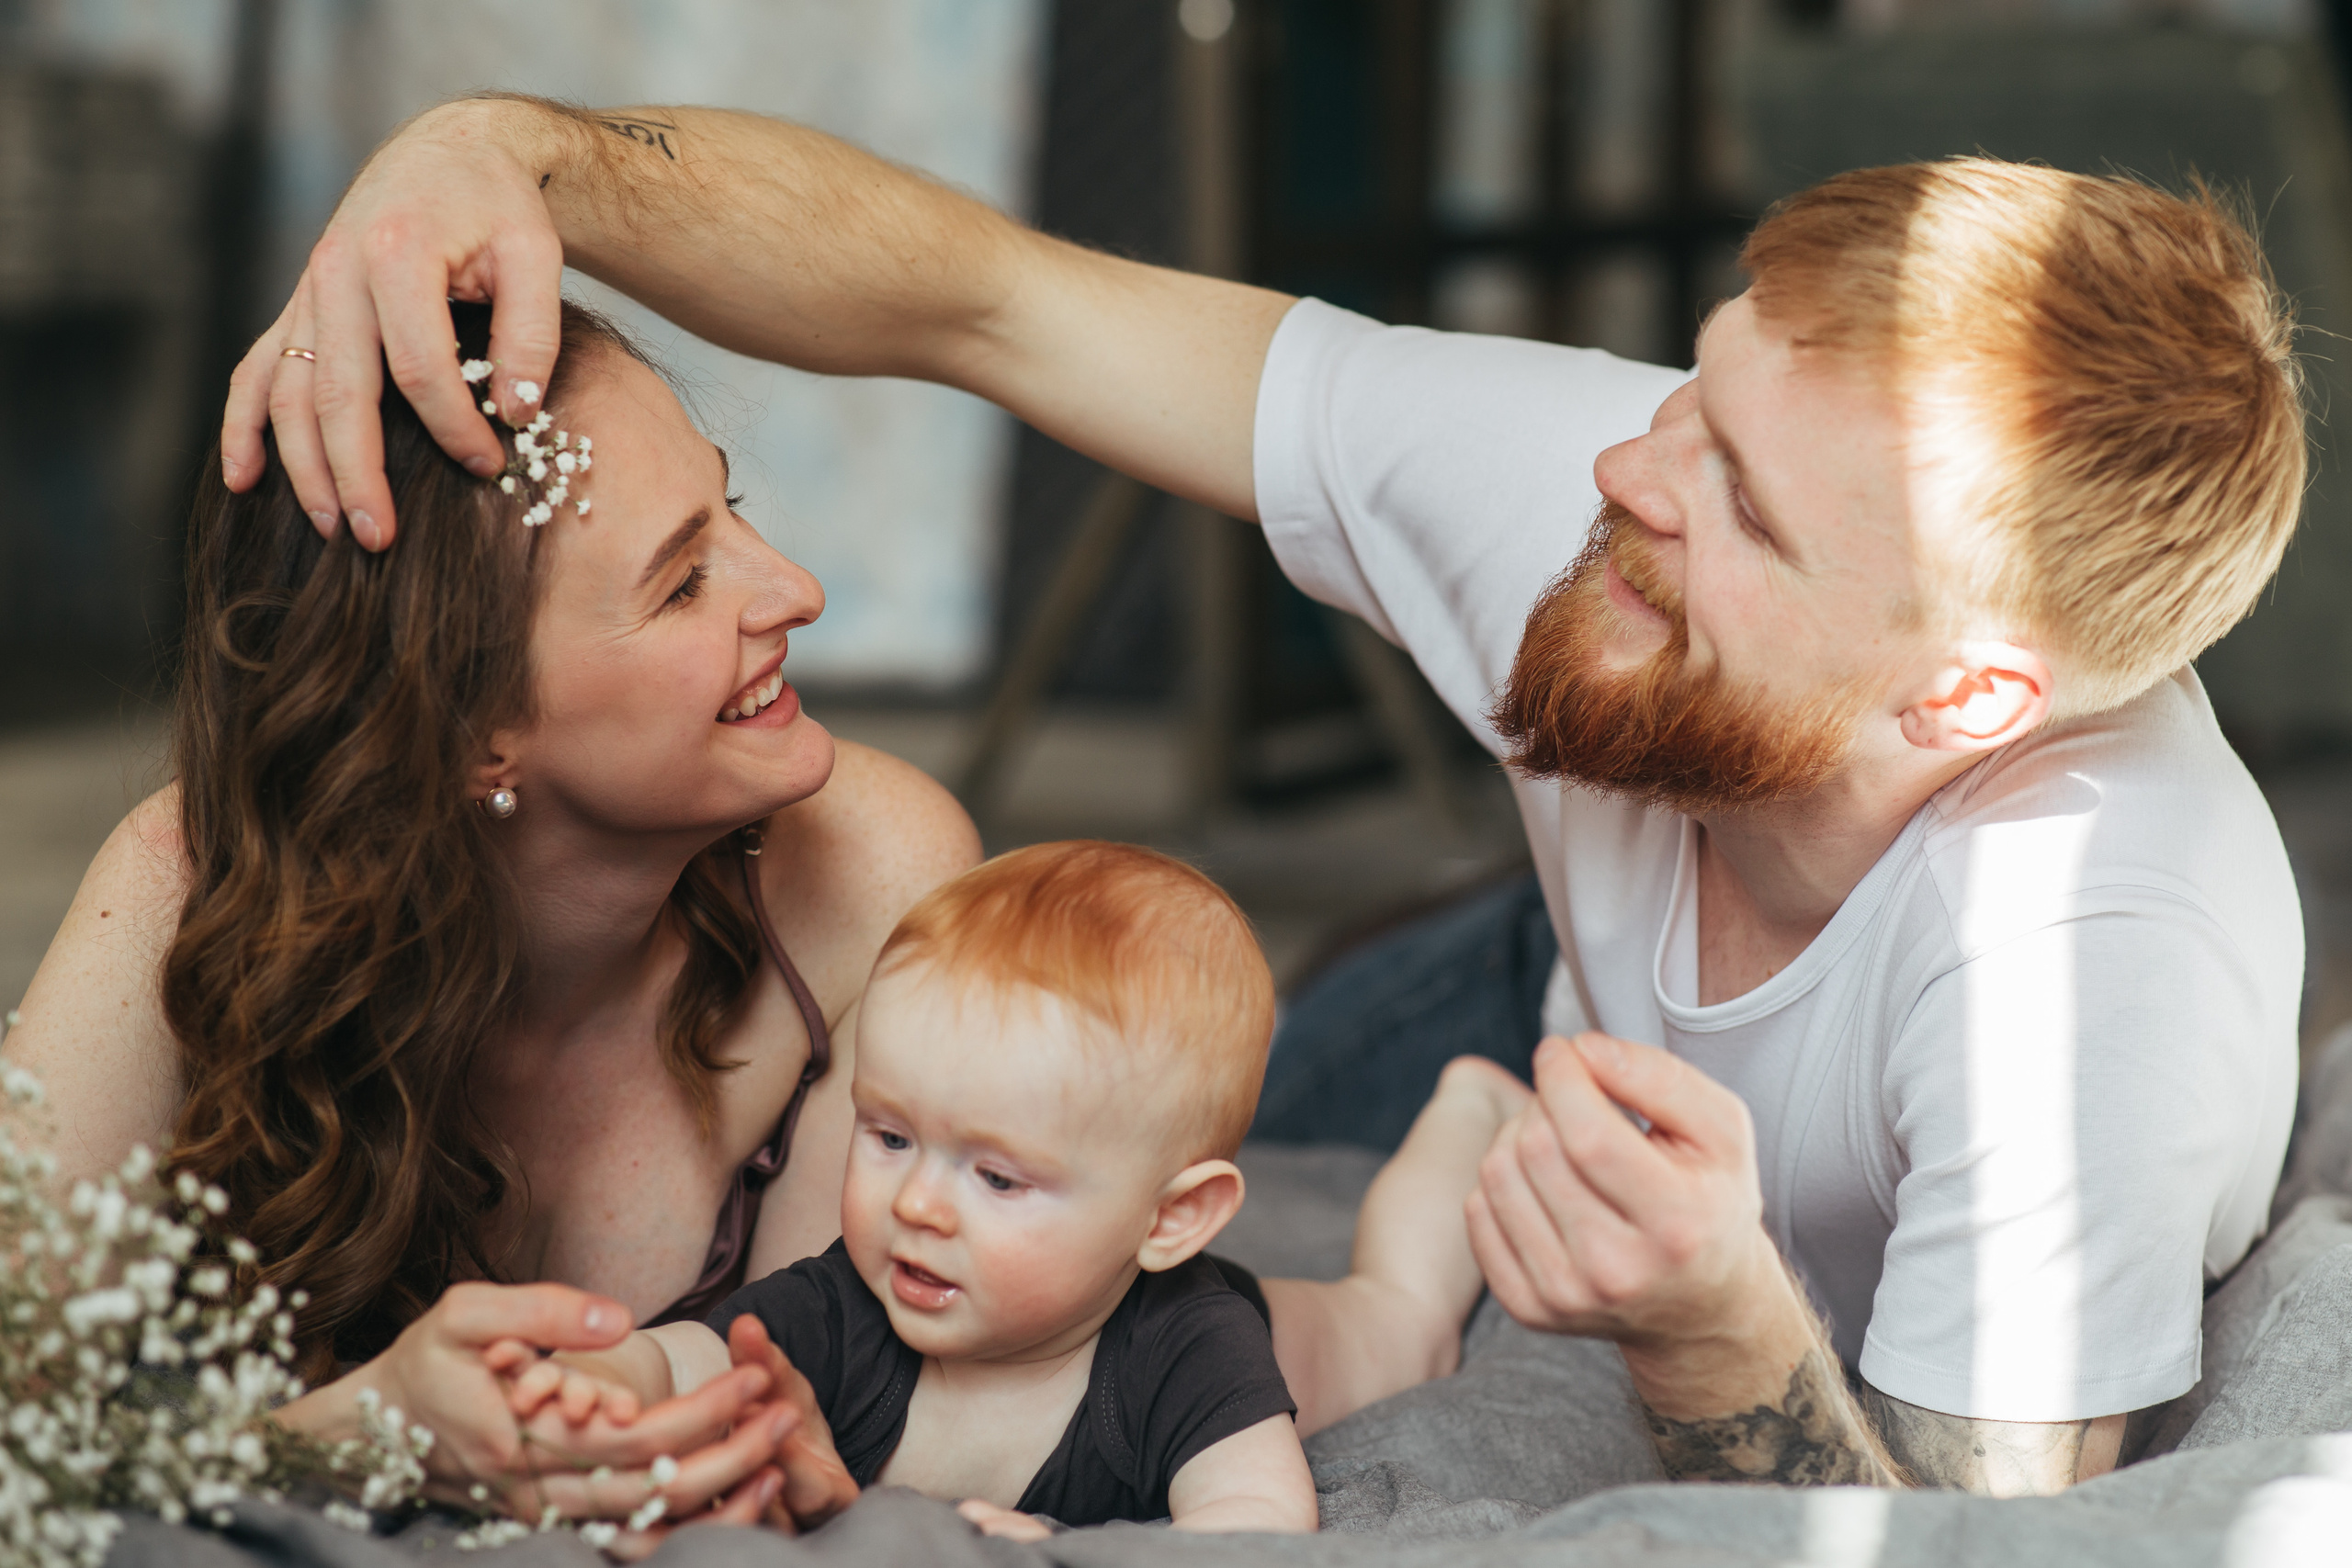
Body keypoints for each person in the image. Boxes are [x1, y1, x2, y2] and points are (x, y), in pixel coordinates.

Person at [231, 98, 2307, 1498]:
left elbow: (1965, 1535)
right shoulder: (1629, 490)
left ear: (1964, 691)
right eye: (1690, 390)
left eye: (1736, 501)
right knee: (1128, 1124)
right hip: (1517, 986)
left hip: (1695, 1164)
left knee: (1258, 1290)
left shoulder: (2088, 980)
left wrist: (1710, 1333)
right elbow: (983, 294)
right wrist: (507, 153)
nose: (1618, 475)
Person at [9, 292, 1499, 1540]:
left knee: (1377, 1308)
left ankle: (1474, 1084)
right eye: (680, 584)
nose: (796, 589)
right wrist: (350, 1433)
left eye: (734, 506)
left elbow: (859, 1391)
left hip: (1152, 1333)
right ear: (475, 736)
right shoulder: (192, 898)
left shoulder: (874, 867)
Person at [517, 840, 1529, 1538]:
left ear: (1172, 1216)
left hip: (1315, 1342)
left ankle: (1470, 1106)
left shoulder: (1188, 1353)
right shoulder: (851, 1304)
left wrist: (1055, 1544)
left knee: (1405, 1306)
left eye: (996, 1176)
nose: (917, 1204)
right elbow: (693, 1359)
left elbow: (1258, 1525)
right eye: (890, 1135)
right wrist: (592, 1387)